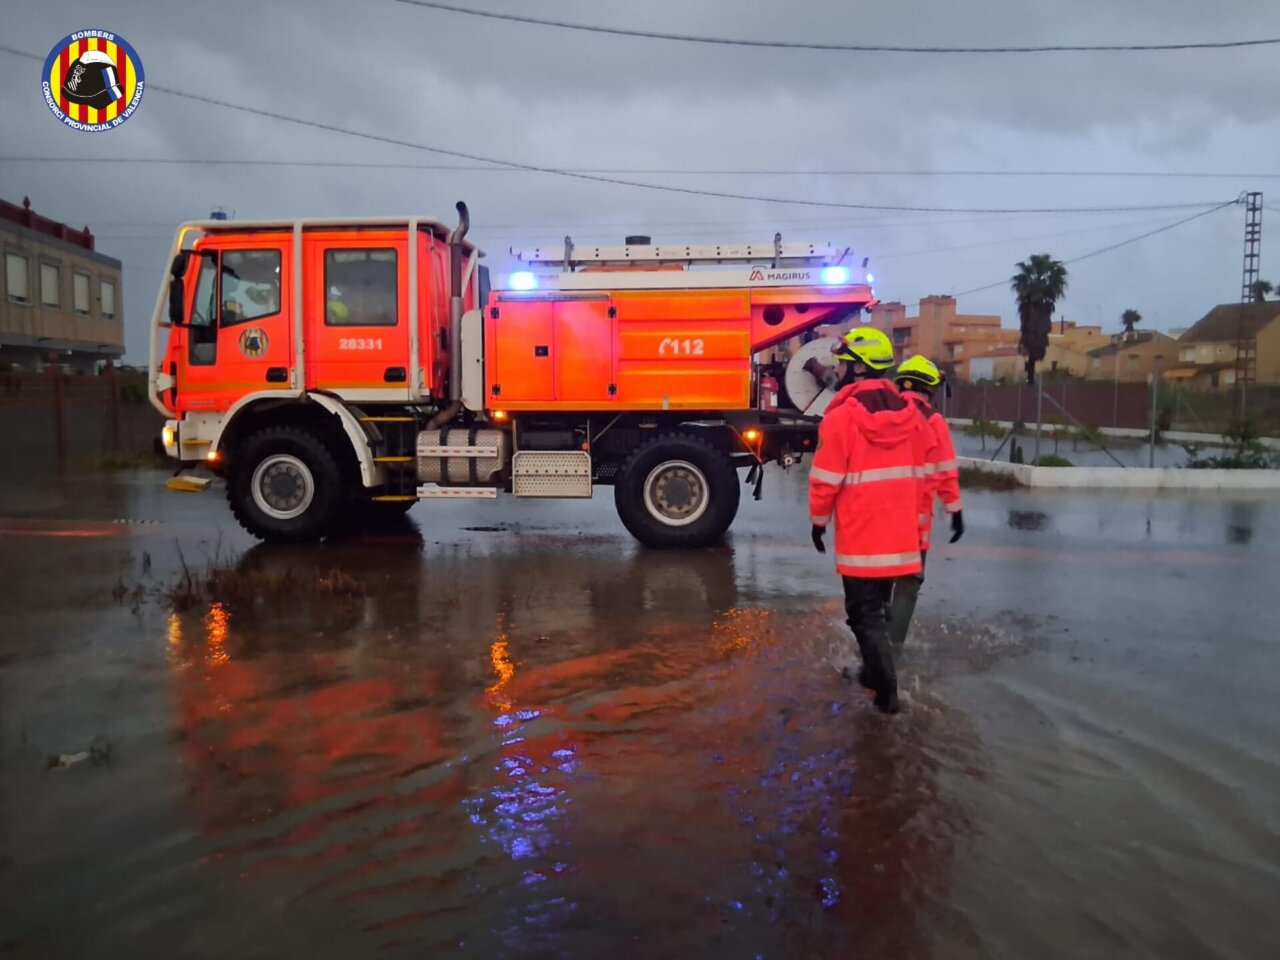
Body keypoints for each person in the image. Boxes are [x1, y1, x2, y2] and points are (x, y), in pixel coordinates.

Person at [809, 327, 938, 715]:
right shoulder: (914, 415)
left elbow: (826, 478)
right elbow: (923, 473)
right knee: (879, 608)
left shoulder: (841, 416)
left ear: (861, 368)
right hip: (899, 534)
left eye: (846, 363)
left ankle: (887, 696)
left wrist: (818, 522)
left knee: (863, 614)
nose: (840, 369)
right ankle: (873, 673)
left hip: (861, 535)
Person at [888, 356, 964, 650]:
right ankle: (893, 652)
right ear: (931, 388)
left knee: (875, 584)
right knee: (907, 585)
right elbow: (945, 471)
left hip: (874, 520)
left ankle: (870, 647)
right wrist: (954, 510)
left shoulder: (878, 415)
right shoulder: (933, 422)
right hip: (913, 525)